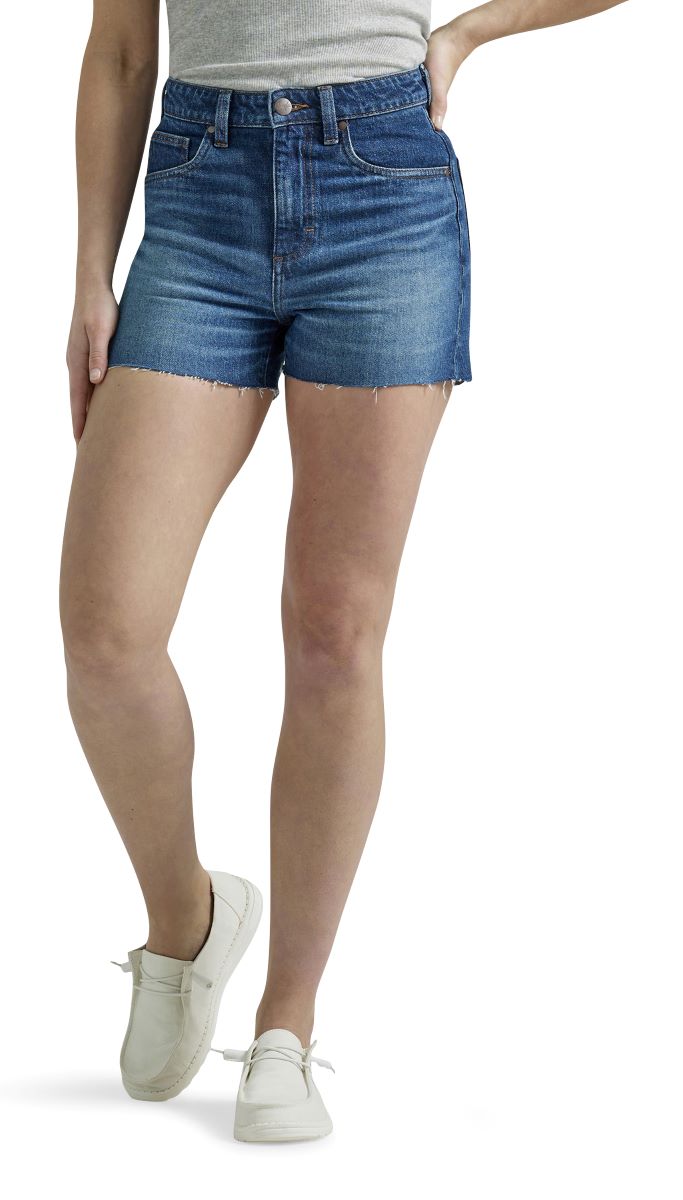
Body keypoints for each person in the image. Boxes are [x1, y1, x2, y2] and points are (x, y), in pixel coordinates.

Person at [62, 0, 627, 1142]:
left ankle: (287, 1022)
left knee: (333, 626)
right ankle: (187, 921)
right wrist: (89, 275)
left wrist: (465, 36)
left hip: (384, 193)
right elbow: (123, 49)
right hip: (198, 196)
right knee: (107, 630)